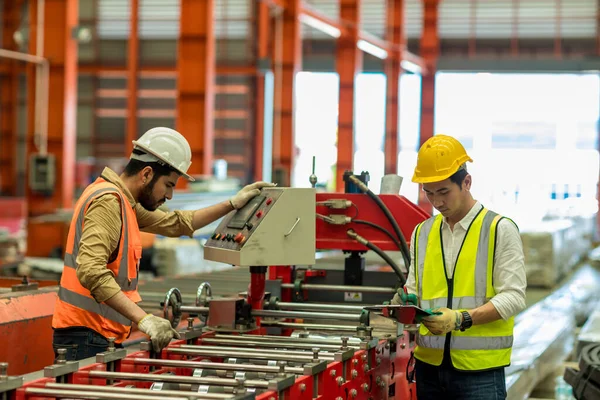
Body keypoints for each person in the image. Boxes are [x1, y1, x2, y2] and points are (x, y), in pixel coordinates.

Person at [52, 127, 274, 360]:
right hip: (85, 336)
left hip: (96, 334)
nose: (169, 195)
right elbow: (91, 271)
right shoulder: (108, 202)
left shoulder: (123, 202)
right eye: (168, 185)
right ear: (147, 174)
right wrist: (144, 319)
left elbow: (176, 223)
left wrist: (231, 203)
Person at [391, 135, 526, 399]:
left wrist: (461, 318)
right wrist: (406, 300)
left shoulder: (499, 229)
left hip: (480, 372)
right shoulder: (422, 232)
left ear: (466, 182)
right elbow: (415, 287)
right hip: (428, 367)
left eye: (444, 192)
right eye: (429, 193)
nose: (437, 202)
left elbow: (514, 296)